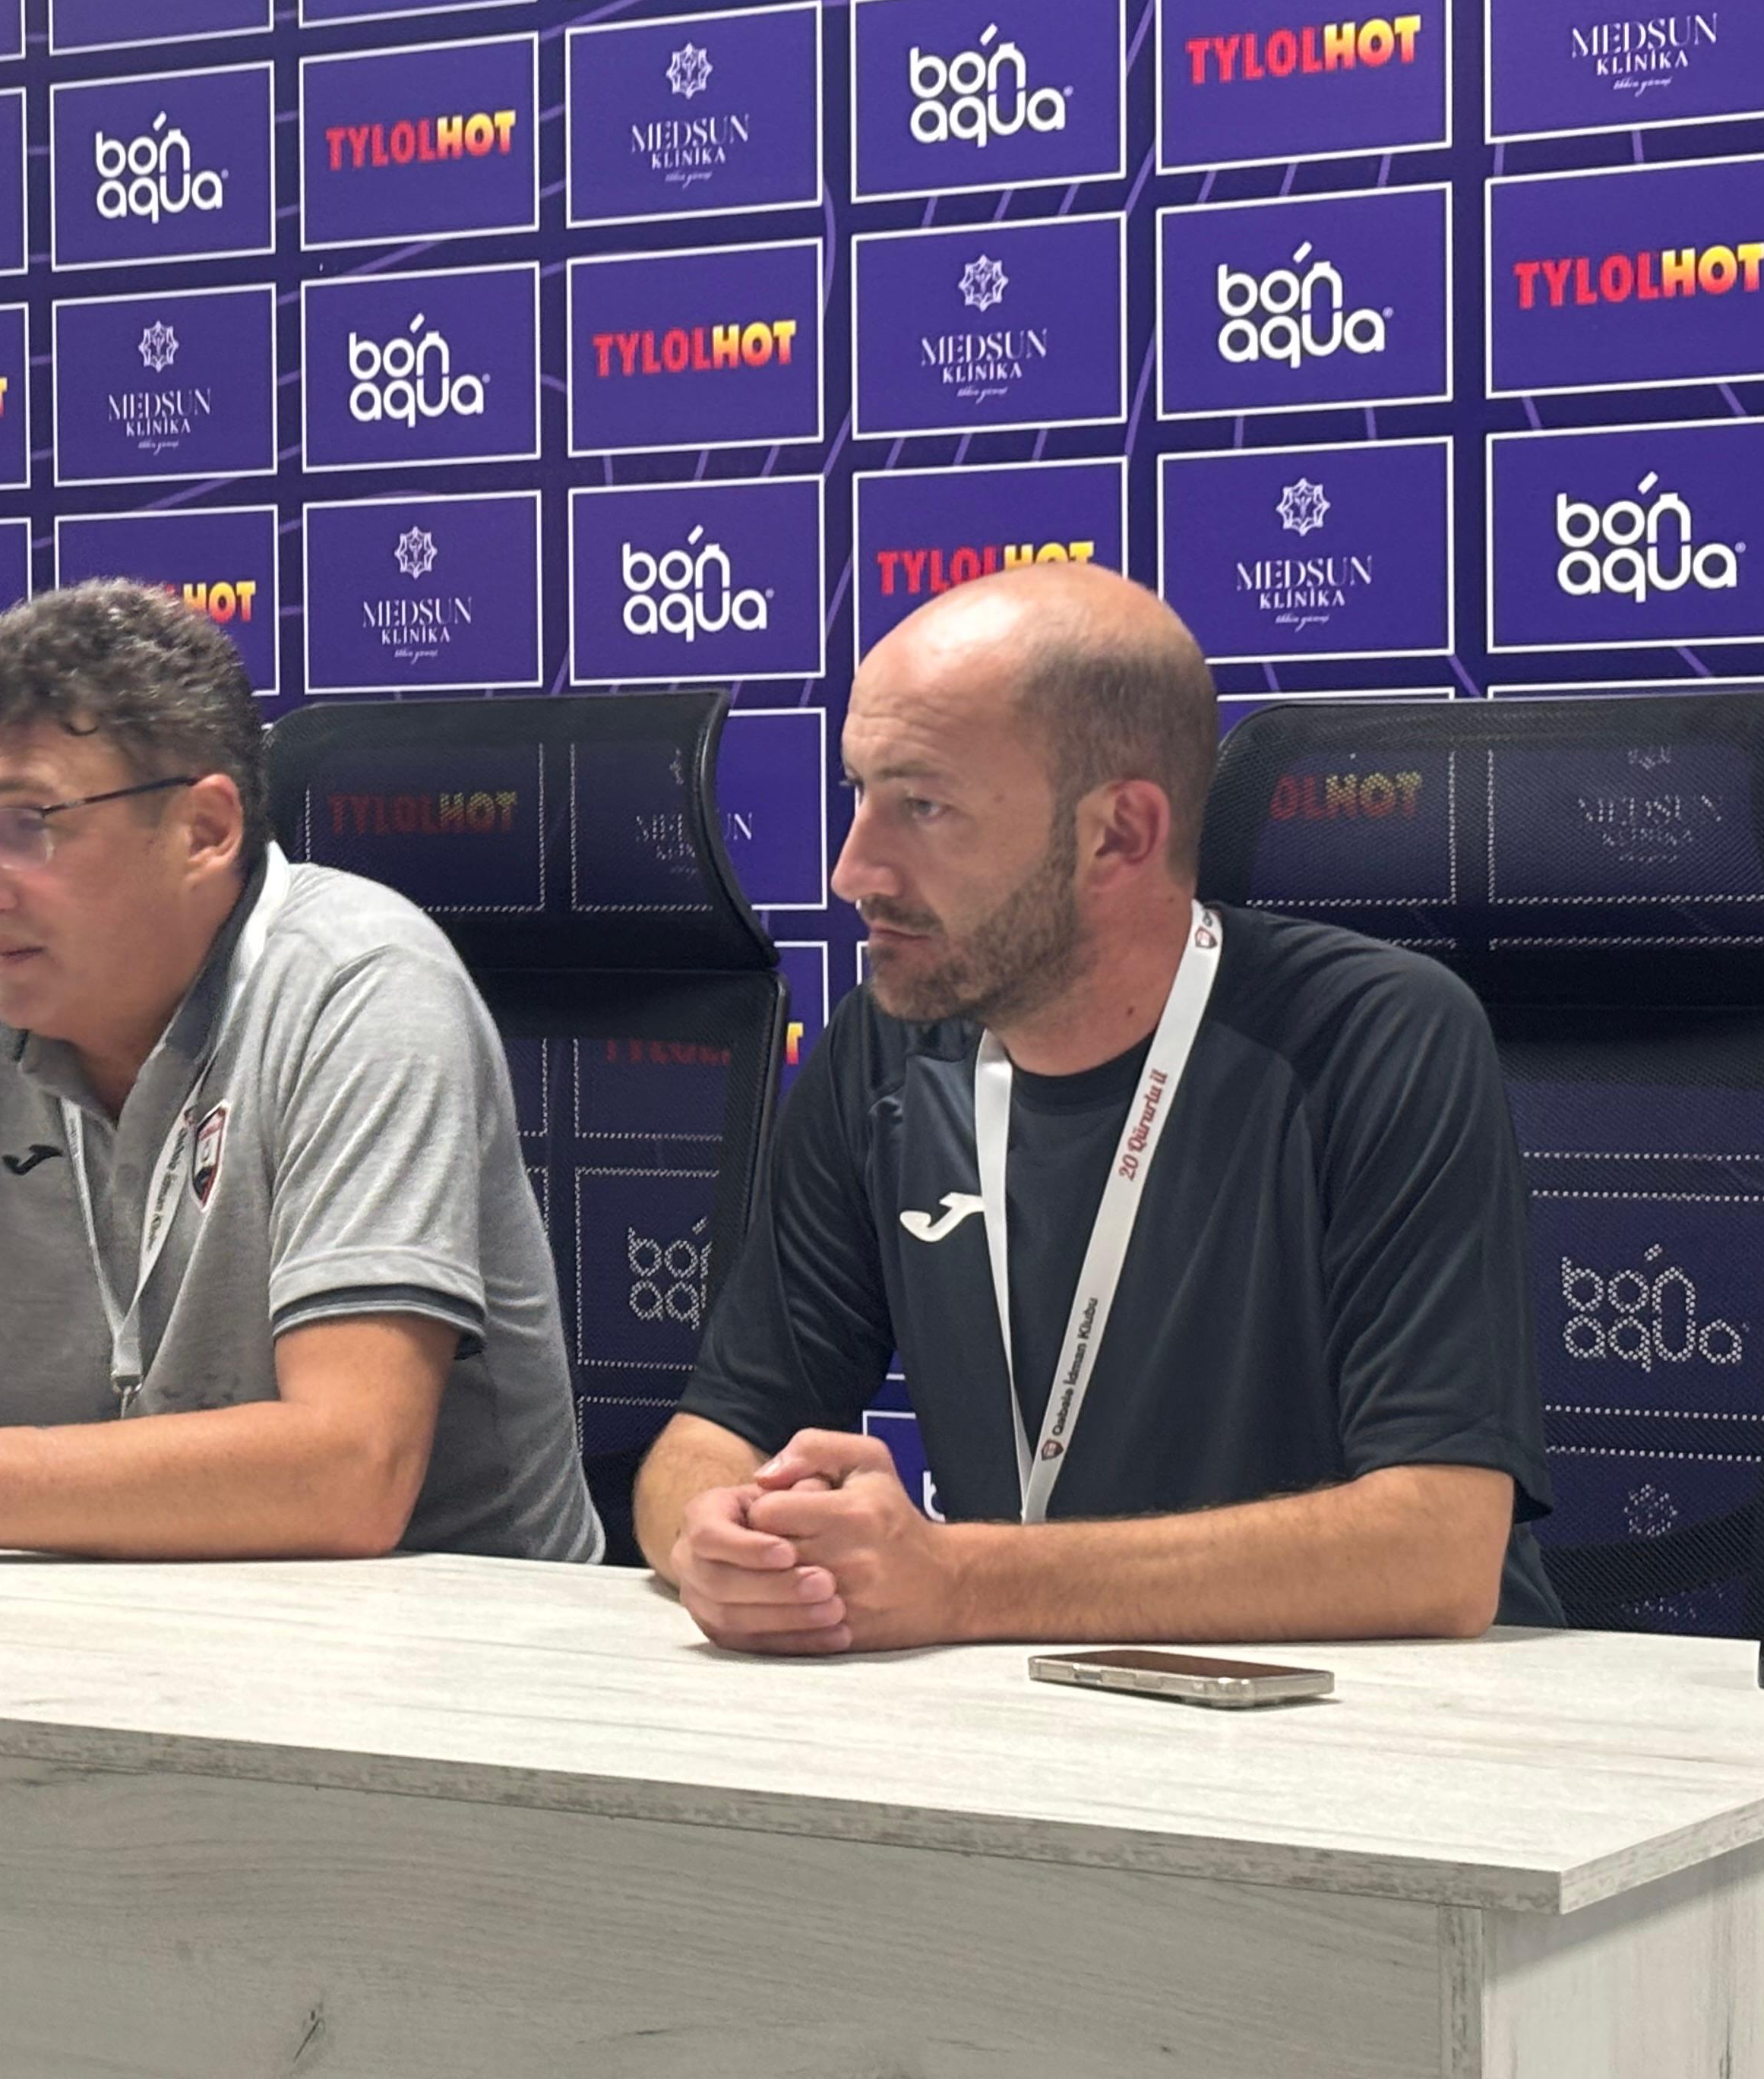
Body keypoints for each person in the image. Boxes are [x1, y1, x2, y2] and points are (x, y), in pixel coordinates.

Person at [638, 564, 1560, 1653]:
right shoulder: (882, 1054)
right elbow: (716, 1435)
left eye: (924, 806)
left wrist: (964, 1584)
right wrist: (718, 1536)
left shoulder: (1374, 1038)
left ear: (1120, 833)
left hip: (1374, 1722)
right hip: (1028, 1704)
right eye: (861, 794)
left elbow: (1438, 1549)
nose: (855, 870)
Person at [0, 580, 600, 1562]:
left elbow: (350, 1472)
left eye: (26, 825)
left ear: (204, 830)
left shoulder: (361, 988)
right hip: (95, 1617)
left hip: (443, 1632)